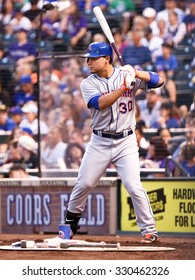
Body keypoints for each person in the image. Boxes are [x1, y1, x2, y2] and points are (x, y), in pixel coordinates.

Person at [65, 41, 164, 243]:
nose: (89, 61)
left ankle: (149, 230)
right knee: (83, 184)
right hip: (99, 141)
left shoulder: (126, 75)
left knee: (133, 185)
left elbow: (159, 81)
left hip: (126, 141)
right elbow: (99, 104)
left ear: (107, 59)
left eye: (93, 58)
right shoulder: (88, 83)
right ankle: (70, 225)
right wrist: (122, 88)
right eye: (88, 58)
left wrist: (136, 73)